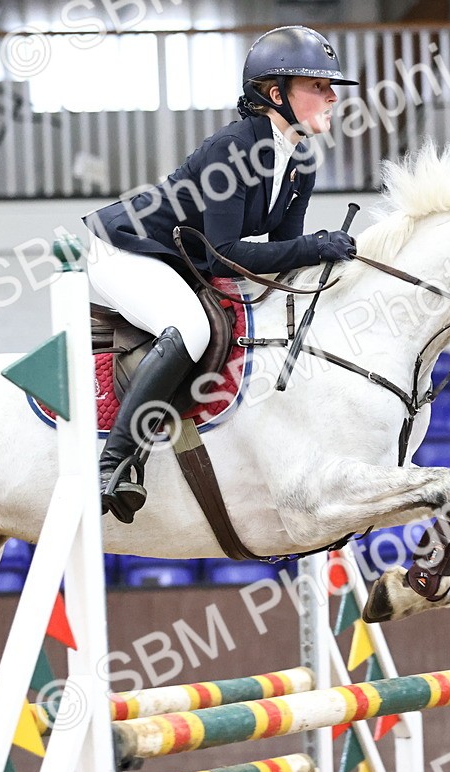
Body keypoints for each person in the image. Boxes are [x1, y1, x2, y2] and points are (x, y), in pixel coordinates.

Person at [82, 25, 359, 524]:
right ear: (276, 95)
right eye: (318, 86)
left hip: (178, 256)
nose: (333, 97)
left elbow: (282, 254)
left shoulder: (301, 162)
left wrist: (320, 258)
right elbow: (225, 255)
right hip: (123, 249)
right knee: (192, 328)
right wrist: (315, 245)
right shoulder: (233, 149)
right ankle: (112, 463)